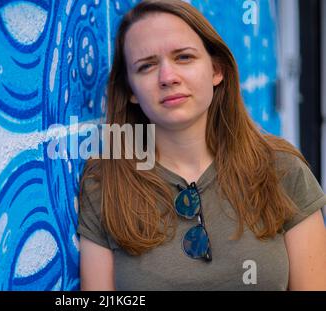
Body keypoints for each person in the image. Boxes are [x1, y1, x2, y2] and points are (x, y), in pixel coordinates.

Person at [77, 0, 326, 290]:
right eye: (146, 66)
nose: (167, 77)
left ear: (216, 70)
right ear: (131, 90)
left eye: (183, 57)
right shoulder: (105, 184)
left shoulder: (281, 168)